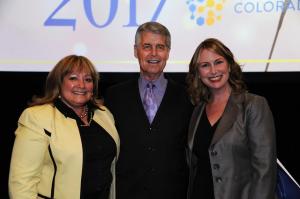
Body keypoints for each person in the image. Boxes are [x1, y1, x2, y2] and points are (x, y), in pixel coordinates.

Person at [9, 55, 120, 199]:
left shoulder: (104, 115)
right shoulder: (37, 118)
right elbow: (21, 183)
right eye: (73, 78)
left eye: (88, 79)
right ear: (58, 83)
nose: (81, 85)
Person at [105, 21, 193, 199]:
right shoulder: (114, 96)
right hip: (126, 193)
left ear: (168, 52)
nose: (154, 53)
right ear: (136, 50)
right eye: (147, 46)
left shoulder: (188, 97)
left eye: (160, 47)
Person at [185, 38, 277, 199]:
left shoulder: (253, 105)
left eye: (218, 62)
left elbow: (265, 171)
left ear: (229, 65)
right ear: (198, 73)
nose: (213, 71)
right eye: (205, 65)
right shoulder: (197, 111)